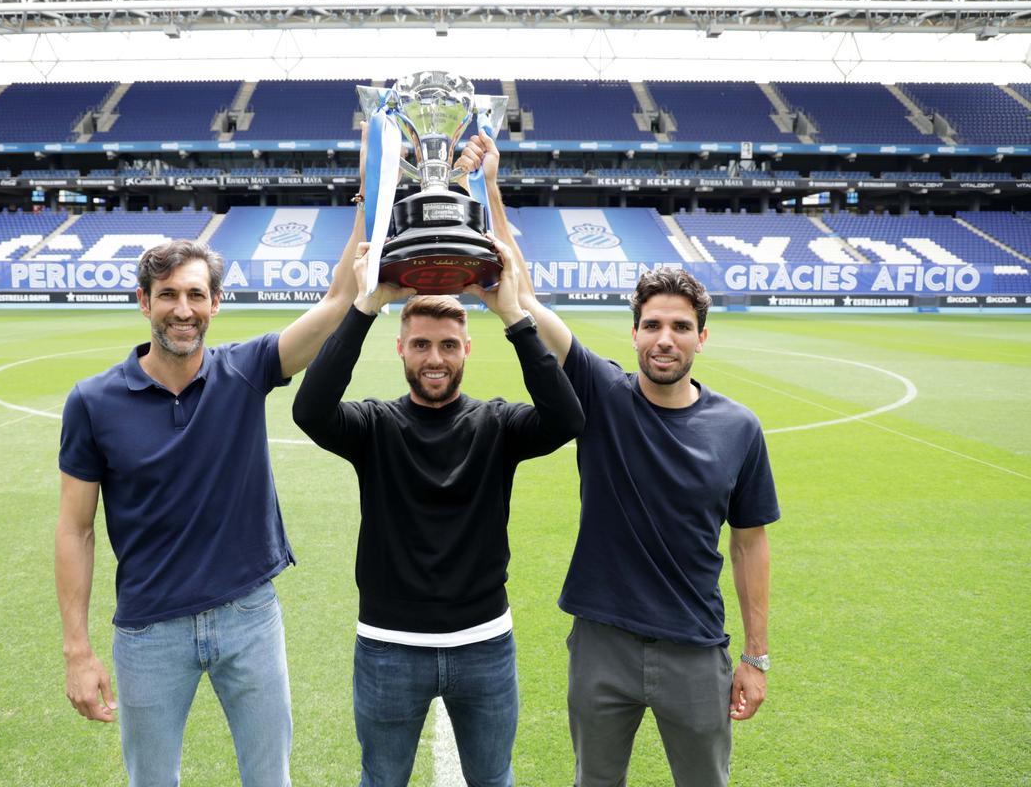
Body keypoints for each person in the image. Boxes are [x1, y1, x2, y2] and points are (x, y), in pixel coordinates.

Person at [457, 129, 779, 787]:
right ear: (633, 333)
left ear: (702, 337)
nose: (665, 339)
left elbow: (750, 543)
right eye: (653, 325)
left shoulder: (740, 428)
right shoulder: (603, 393)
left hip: (696, 649)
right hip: (602, 643)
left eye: (680, 327)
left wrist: (756, 656)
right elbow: (524, 299)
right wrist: (490, 185)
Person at [54, 222, 361, 785]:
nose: (183, 309)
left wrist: (368, 197)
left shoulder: (247, 369)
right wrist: (78, 650)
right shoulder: (92, 402)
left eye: (196, 294)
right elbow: (75, 529)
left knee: (269, 778)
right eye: (167, 294)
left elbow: (338, 302)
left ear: (215, 303)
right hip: (148, 631)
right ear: (144, 301)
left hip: (249, 616)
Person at [291, 240, 585, 787]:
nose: (434, 359)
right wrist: (365, 306)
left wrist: (514, 316)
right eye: (421, 345)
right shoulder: (374, 426)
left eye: (448, 345)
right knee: (382, 780)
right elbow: (309, 410)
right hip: (388, 645)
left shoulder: (497, 425)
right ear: (400, 349)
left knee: (492, 778)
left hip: (484, 644)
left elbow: (567, 419)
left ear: (467, 349)